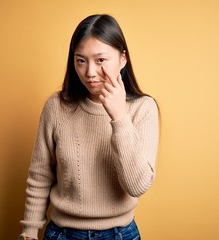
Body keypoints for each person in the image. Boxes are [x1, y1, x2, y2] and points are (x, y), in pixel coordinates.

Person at [18, 14, 159, 240]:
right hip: (62, 234)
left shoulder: (143, 109)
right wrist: (29, 231)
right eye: (81, 60)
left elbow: (137, 184)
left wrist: (119, 116)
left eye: (100, 60)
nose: (90, 72)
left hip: (119, 234)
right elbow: (40, 175)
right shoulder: (56, 107)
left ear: (122, 59)